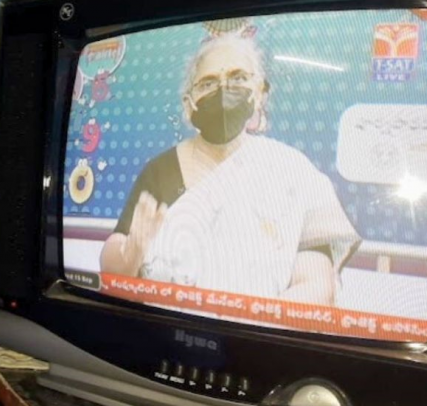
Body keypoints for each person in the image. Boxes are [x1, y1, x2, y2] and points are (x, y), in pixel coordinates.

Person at [99, 32, 360, 305]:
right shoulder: (159, 171)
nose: (223, 90)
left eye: (238, 78)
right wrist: (131, 254)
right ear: (189, 104)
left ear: (259, 93)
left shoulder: (293, 171)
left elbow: (316, 285)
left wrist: (252, 321)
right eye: (208, 82)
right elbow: (113, 263)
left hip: (260, 331)